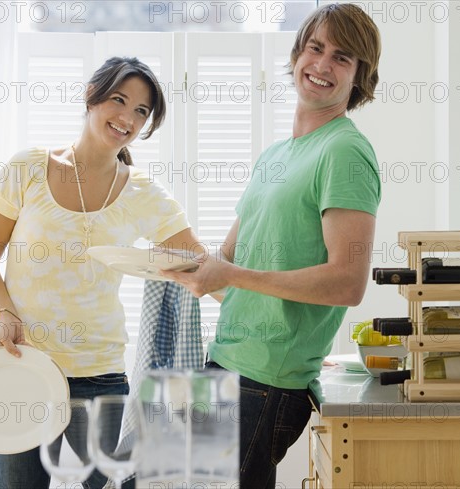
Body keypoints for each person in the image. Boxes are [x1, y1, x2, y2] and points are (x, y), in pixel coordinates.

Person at [162, 4, 382, 488]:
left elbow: (347, 282)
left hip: (265, 382)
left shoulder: (344, 150)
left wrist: (231, 275)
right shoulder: (274, 156)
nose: (322, 65)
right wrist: (187, 267)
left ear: (360, 75)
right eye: (315, 47)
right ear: (297, 53)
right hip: (226, 360)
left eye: (342, 57)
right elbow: (232, 260)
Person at [0, 57, 201, 489]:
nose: (128, 118)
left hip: (100, 374)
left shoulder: (144, 193)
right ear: (91, 94)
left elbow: (200, 265)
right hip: (20, 367)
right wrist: (4, 311)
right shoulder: (27, 169)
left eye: (141, 111)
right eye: (120, 100)